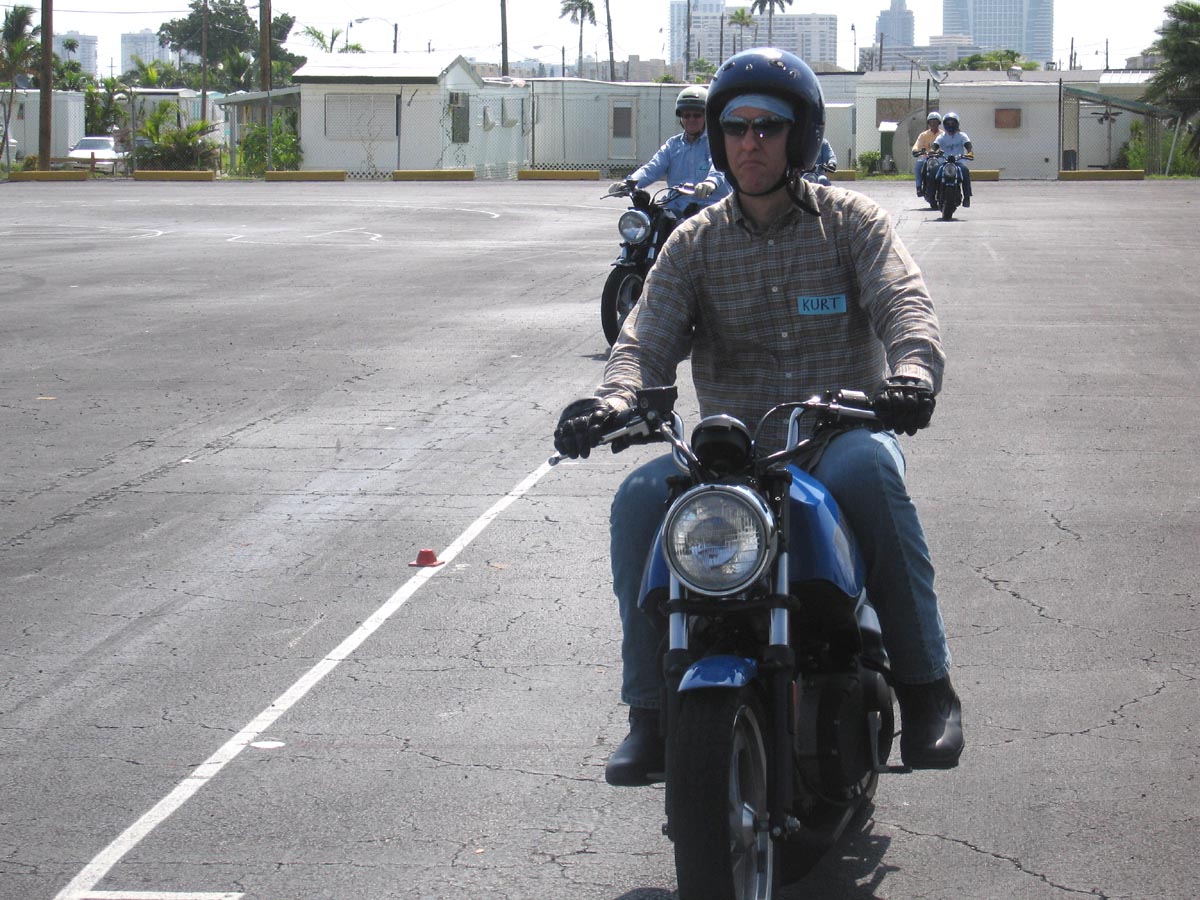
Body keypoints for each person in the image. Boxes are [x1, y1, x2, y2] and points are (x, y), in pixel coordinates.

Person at [555, 47, 963, 787]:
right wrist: (613, 401)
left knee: (872, 470)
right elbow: (644, 340)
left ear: (799, 136)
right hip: (733, 456)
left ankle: (926, 684)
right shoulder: (694, 243)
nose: (751, 142)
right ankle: (649, 712)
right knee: (638, 499)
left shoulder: (853, 224)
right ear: (718, 138)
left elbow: (905, 305)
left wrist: (910, 374)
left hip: (837, 437)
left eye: (768, 126)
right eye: (736, 127)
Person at [611, 85, 731, 217]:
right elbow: (652, 168)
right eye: (686, 115)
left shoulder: (717, 143)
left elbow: (718, 167)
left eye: (697, 115)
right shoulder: (673, 145)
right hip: (676, 210)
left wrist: (710, 183)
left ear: (707, 117)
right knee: (644, 223)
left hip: (711, 210)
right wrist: (628, 183)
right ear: (681, 118)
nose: (691, 120)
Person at [931, 111, 974, 207]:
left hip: (958, 162)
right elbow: (935, 146)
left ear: (957, 124)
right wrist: (932, 151)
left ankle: (967, 197)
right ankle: (931, 196)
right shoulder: (941, 136)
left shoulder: (962, 136)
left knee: (965, 171)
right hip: (944, 162)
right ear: (944, 124)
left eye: (952, 123)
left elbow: (968, 146)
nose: (950, 125)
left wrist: (970, 153)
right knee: (933, 171)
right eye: (948, 123)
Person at [912, 110, 942, 196]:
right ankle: (919, 187)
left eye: (935, 121)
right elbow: (917, 145)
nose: (933, 124)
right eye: (931, 121)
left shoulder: (943, 134)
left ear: (939, 122)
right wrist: (915, 150)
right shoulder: (923, 135)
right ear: (928, 123)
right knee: (918, 166)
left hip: (939, 157)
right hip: (926, 157)